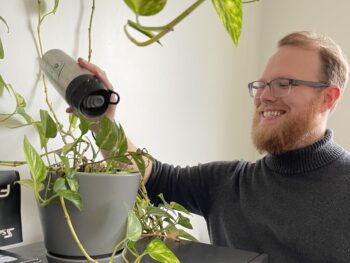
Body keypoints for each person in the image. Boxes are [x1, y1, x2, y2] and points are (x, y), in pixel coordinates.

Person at [75, 31, 350, 263]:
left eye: (283, 84)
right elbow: (149, 177)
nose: (264, 96)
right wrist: (102, 122)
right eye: (263, 85)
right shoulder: (227, 183)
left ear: (328, 98)